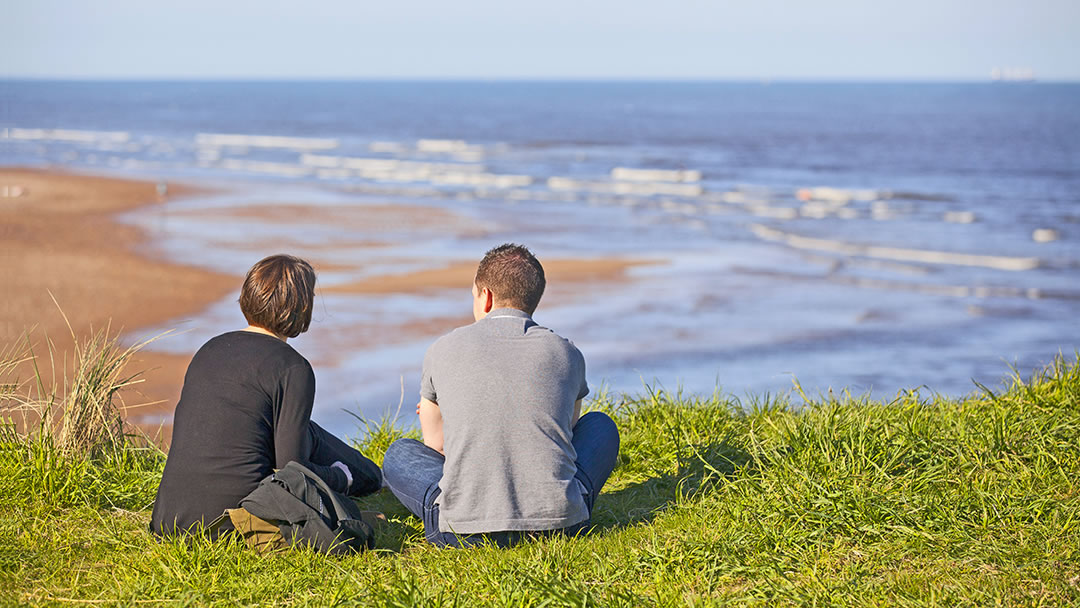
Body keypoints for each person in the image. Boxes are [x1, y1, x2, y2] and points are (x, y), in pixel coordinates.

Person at [381, 243, 620, 548]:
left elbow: (436, 445)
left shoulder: (443, 349)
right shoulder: (566, 352)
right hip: (560, 525)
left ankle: (466, 512)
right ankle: (564, 506)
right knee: (600, 425)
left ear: (486, 297)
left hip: (461, 531)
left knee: (400, 453)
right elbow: (568, 435)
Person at [151, 254, 382, 537]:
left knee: (305, 431)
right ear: (303, 307)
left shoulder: (209, 349)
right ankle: (368, 477)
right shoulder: (293, 367)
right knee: (317, 450)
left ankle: (372, 476)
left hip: (168, 519)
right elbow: (291, 470)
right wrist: (338, 478)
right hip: (231, 522)